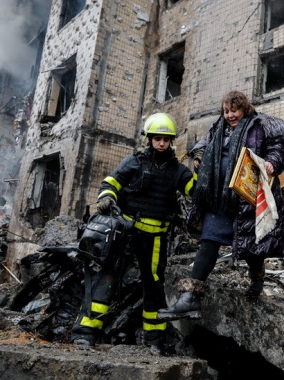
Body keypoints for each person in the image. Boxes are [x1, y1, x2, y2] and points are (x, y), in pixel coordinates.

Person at [158, 90, 284, 321]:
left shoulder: (260, 126)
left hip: (247, 199)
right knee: (209, 242)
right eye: (226, 111)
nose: (229, 115)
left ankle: (257, 277)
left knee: (251, 246)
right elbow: (203, 145)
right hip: (219, 198)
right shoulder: (218, 128)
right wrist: (199, 156)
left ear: (244, 109)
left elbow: (278, 150)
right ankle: (190, 298)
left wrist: (271, 163)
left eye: (234, 110)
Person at [71, 113, 196, 352]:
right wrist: (106, 197)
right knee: (106, 279)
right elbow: (110, 183)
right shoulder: (134, 162)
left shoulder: (178, 171)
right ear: (149, 139)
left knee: (154, 287)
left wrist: (202, 165)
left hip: (156, 239)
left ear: (171, 142)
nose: (161, 143)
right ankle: (85, 334)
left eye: (166, 139)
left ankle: (155, 340)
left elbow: (196, 192)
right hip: (125, 235)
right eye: (157, 138)